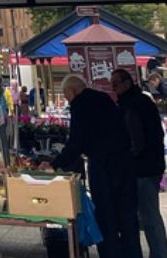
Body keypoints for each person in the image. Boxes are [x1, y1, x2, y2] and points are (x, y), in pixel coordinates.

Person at [45, 75, 142, 258]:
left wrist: (56, 164)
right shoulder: (103, 98)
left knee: (106, 218)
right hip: (124, 164)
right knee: (128, 219)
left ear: (71, 91)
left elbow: (76, 142)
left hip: (103, 167)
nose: (67, 99)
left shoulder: (80, 105)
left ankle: (110, 254)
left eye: (66, 95)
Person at [111, 69, 167, 258]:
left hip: (142, 168)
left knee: (148, 216)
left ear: (127, 83)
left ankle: (160, 254)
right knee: (149, 216)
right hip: (150, 165)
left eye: (116, 84)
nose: (113, 88)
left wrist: (125, 161)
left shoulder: (132, 105)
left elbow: (136, 142)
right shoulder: (140, 101)